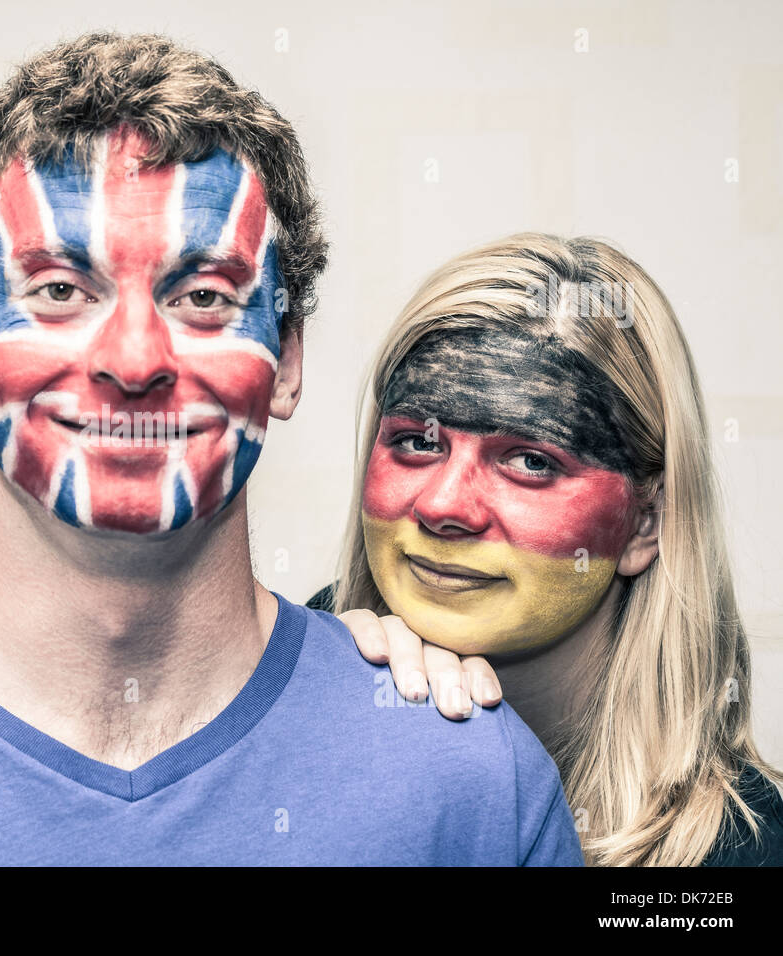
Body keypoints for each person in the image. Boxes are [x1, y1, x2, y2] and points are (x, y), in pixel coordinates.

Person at [0, 33, 582, 866]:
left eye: (204, 298)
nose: (135, 361)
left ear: (286, 364)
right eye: (57, 291)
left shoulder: (470, 785)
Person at [310, 233, 783, 866]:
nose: (445, 506)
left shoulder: (742, 855)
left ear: (646, 524)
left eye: (531, 461)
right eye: (418, 444)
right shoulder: (302, 661)